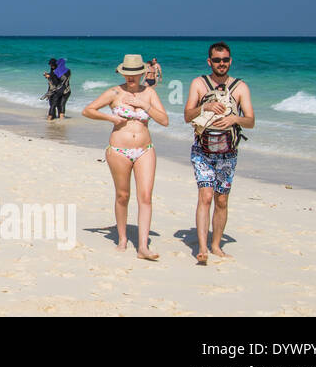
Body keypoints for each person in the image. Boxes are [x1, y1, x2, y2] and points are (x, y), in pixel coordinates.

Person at [82, 54, 169, 260]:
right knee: (123, 195)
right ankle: (122, 239)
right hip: (119, 150)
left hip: (145, 149)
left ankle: (143, 247)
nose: (131, 78)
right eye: (127, 74)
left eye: (134, 74)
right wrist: (110, 117)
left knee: (145, 196)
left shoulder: (149, 93)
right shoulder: (114, 92)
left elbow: (164, 120)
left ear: (141, 73)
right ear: (122, 73)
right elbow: (88, 110)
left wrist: (143, 104)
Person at [183, 42, 255, 265]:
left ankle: (216, 245)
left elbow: (251, 121)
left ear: (230, 61)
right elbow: (187, 116)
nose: (221, 64)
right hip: (202, 150)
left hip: (228, 152)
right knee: (205, 196)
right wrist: (205, 107)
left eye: (225, 60)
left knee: (221, 200)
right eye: (217, 60)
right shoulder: (199, 83)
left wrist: (235, 118)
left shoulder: (240, 87)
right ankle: (203, 248)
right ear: (209, 61)